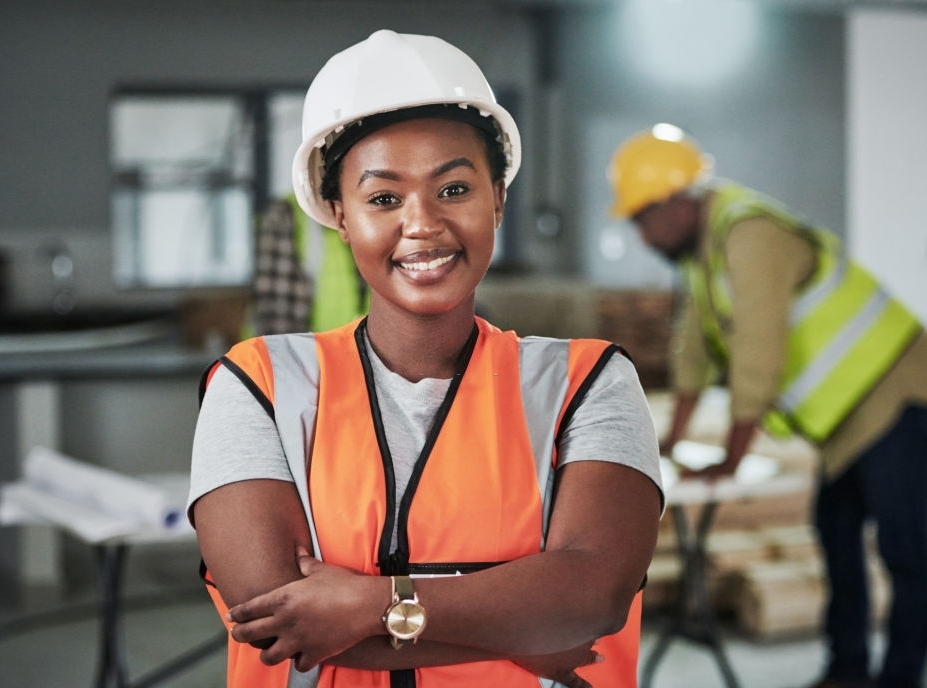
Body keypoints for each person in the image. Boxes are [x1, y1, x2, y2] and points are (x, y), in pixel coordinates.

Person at [188, 30, 664, 688]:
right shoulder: (258, 385)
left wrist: (367, 603)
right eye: (384, 198)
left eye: (454, 189)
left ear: (498, 198)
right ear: (340, 214)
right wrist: (519, 631)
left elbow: (592, 597)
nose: (422, 224)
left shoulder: (590, 382)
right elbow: (277, 621)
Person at [607, 123, 927, 688]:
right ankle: (848, 671)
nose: (643, 237)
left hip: (894, 395)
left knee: (908, 551)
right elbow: (694, 354)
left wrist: (731, 458)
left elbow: (759, 350)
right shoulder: (701, 258)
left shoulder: (749, 232)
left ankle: (898, 678)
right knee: (836, 532)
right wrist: (672, 442)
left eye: (642, 219)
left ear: (675, 203)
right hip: (846, 421)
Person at [252, 191, 368, 335]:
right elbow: (279, 322)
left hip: (353, 351)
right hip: (310, 353)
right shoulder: (284, 216)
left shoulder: (364, 210)